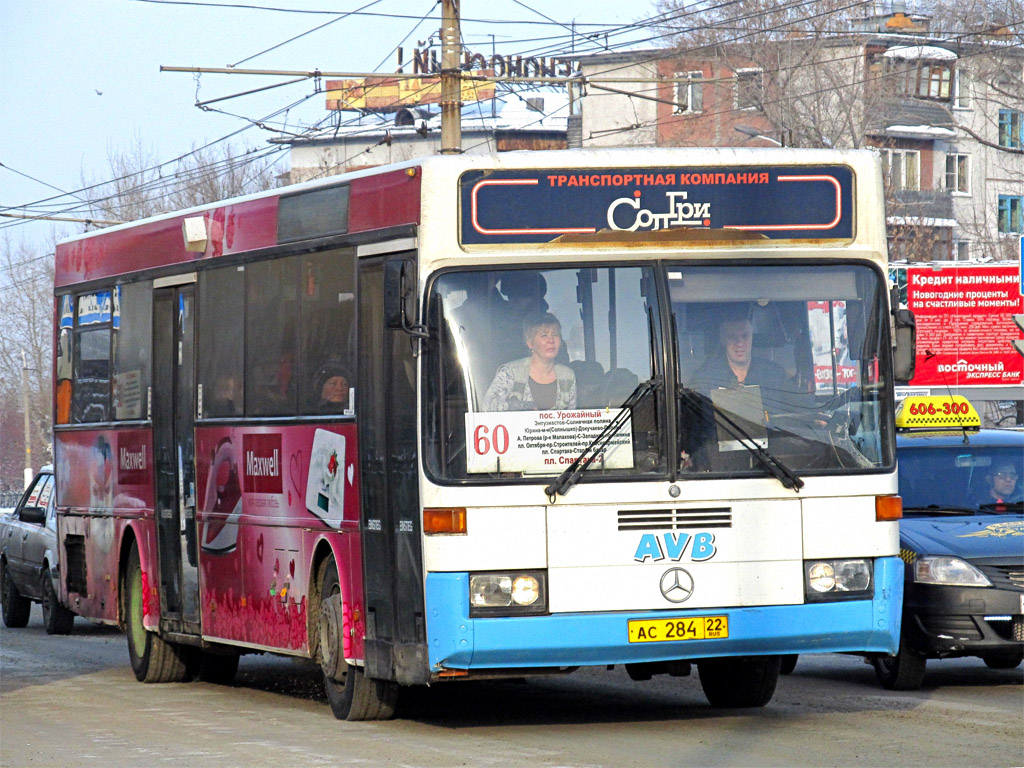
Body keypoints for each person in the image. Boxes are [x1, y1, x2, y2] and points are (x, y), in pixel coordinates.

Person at [483, 311, 576, 411]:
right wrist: (524, 406)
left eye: (555, 334)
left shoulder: (568, 376)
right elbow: (488, 406)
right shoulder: (510, 373)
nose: (551, 340)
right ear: (530, 343)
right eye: (544, 335)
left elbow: (572, 419)